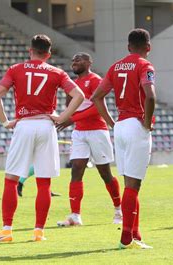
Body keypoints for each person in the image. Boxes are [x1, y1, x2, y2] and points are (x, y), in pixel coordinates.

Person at [0, 34, 84, 242]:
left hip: (24, 124)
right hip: (46, 125)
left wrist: (5, 122)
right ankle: (38, 232)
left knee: (11, 179)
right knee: (43, 182)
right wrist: (63, 117)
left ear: (30, 50)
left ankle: (6, 230)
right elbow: (79, 96)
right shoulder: (57, 72)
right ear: (48, 54)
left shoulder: (16, 69)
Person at [91, 28, 156, 249]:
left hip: (120, 127)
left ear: (128, 46)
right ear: (148, 47)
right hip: (136, 126)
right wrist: (147, 122)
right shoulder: (145, 66)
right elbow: (150, 95)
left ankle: (135, 234)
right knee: (133, 185)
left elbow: (97, 97)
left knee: (131, 183)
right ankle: (126, 238)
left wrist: (111, 123)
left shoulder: (115, 66)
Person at [55, 52, 122, 227]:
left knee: (105, 173)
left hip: (97, 131)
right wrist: (65, 115)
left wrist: (72, 119)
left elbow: (97, 108)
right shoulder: (73, 84)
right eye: (73, 60)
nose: (74, 62)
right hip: (79, 133)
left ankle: (118, 209)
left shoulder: (94, 80)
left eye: (78, 59)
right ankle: (75, 215)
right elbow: (70, 108)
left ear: (89, 62)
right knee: (76, 170)